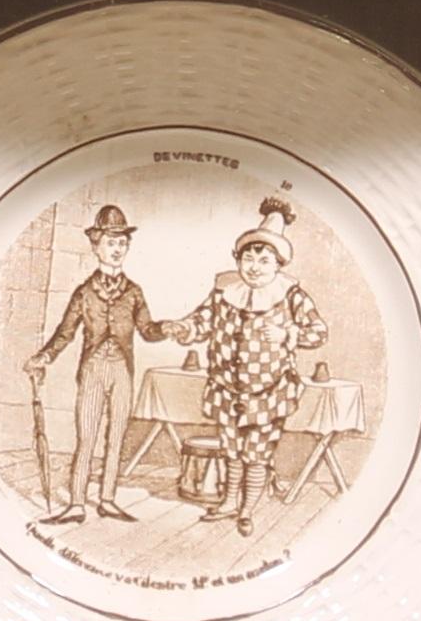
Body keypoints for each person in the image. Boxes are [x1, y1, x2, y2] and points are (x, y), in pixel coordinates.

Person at [151, 196, 330, 537]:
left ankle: (248, 508)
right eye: (249, 257)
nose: (255, 266)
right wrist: (183, 328)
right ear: (239, 259)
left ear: (278, 265)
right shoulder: (224, 291)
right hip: (226, 388)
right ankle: (230, 501)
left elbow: (318, 331)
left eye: (264, 260)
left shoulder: (290, 295)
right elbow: (202, 321)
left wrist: (287, 332)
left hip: (268, 391)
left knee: (257, 452)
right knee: (232, 448)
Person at [24, 206, 159, 525]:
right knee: (87, 437)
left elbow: (149, 331)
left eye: (122, 243)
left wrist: (173, 329)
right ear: (96, 245)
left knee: (117, 438)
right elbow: (65, 333)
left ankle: (108, 499)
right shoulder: (84, 293)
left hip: (123, 370)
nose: (117, 249)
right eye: (111, 242)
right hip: (94, 369)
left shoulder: (134, 292)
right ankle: (76, 503)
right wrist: (43, 357)